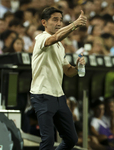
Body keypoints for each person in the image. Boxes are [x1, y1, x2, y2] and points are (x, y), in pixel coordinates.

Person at [30, 7, 87, 150]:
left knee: (71, 139)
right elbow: (54, 38)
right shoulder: (41, 38)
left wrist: (77, 66)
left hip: (59, 96)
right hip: (42, 95)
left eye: (60, 20)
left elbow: (68, 71)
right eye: (55, 20)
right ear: (44, 22)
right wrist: (74, 24)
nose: (59, 23)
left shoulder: (60, 46)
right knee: (48, 140)